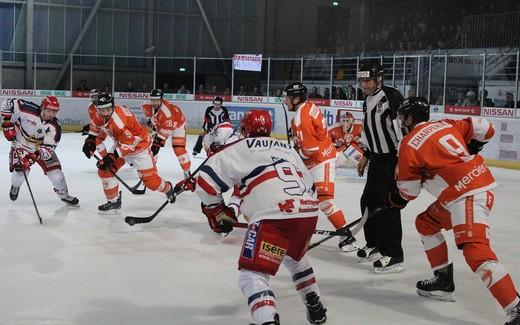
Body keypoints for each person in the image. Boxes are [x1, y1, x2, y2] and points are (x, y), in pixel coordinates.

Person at [182, 110, 327, 325]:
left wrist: (217, 210)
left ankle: (266, 320)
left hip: (274, 218)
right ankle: (314, 302)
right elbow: (311, 187)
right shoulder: (288, 149)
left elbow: (205, 183)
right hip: (307, 212)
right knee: (294, 258)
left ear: (245, 129)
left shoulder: (239, 147)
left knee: (252, 275)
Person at [388, 97, 520, 325]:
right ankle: (443, 281)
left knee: (475, 250)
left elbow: (409, 192)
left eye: (403, 117)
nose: (401, 122)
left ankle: (516, 308)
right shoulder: (446, 124)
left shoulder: (408, 143)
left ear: (409, 118)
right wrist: (475, 145)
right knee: (426, 224)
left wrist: (396, 199)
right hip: (465, 189)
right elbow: (486, 128)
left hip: (467, 195)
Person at [283, 82, 358, 253]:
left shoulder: (301, 117)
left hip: (321, 161)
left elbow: (310, 150)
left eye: (287, 98)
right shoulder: (309, 107)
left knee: (325, 202)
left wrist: (296, 155)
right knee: (301, 197)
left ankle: (346, 236)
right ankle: (298, 233)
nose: (285, 101)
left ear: (296, 99)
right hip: (318, 160)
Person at [82, 93, 175, 213]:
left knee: (151, 182)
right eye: (102, 110)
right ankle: (114, 201)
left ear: (113, 106)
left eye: (108, 110)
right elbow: (95, 126)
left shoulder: (119, 121)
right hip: (122, 143)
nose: (105, 113)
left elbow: (130, 143)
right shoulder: (100, 113)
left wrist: (112, 156)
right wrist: (90, 140)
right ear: (98, 109)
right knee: (105, 171)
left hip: (139, 147)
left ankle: (168, 188)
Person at [356, 61, 405, 273]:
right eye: (361, 80)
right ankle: (374, 244)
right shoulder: (367, 100)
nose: (363, 84)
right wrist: (366, 155)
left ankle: (394, 254)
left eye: (367, 80)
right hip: (376, 158)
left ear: (379, 79)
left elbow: (403, 133)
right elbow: (369, 131)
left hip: (392, 159)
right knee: (367, 201)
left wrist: (402, 163)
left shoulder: (392, 98)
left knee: (388, 206)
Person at [1, 96, 79, 206]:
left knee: (57, 176)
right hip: (20, 145)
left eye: (54, 111)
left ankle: (64, 195)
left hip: (39, 150)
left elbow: (48, 149)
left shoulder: (55, 127)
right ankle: (16, 185)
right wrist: (7, 123)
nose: (52, 114)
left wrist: (32, 158)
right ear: (42, 107)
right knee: (20, 173)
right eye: (49, 110)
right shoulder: (27, 108)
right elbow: (7, 103)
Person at [142, 89, 191, 178]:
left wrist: (157, 143)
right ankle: (150, 173)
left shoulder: (167, 112)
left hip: (177, 125)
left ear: (161, 100)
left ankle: (187, 172)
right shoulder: (146, 105)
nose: (154, 103)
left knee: (179, 150)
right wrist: (152, 123)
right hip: (163, 125)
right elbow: (150, 118)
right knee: (151, 150)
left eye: (156, 100)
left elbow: (165, 131)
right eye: (152, 100)